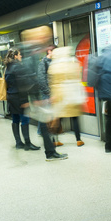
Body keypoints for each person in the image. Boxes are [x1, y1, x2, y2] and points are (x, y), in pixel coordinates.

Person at [20, 26, 67, 161]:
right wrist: (37, 97)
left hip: (38, 96)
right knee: (45, 124)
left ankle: (51, 152)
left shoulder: (34, 52)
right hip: (37, 96)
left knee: (46, 125)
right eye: (44, 36)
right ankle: (49, 152)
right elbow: (33, 76)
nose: (46, 38)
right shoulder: (30, 54)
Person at [47, 46, 85, 147]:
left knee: (58, 118)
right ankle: (78, 140)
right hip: (71, 94)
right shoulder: (72, 63)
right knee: (74, 117)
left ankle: (55, 140)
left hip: (59, 95)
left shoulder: (54, 66)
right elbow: (78, 76)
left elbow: (51, 81)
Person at [5, 48, 40, 150]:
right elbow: (23, 83)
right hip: (20, 96)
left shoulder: (8, 67)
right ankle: (28, 143)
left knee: (15, 119)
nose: (21, 56)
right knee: (25, 118)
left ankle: (19, 143)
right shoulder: (17, 67)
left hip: (11, 96)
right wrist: (25, 100)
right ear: (15, 56)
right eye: (19, 54)